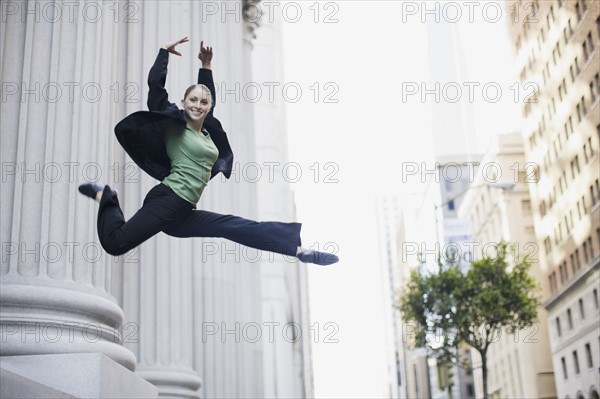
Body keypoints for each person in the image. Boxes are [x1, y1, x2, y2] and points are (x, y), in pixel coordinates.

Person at [78, 37, 338, 266]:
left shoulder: (208, 133)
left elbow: (207, 96)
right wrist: (163, 53)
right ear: (183, 102)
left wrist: (206, 66)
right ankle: (107, 197)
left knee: (233, 227)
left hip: (184, 210)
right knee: (116, 243)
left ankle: (298, 250)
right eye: (192, 100)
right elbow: (156, 92)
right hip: (167, 200)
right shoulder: (175, 126)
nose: (198, 105)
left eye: (204, 102)